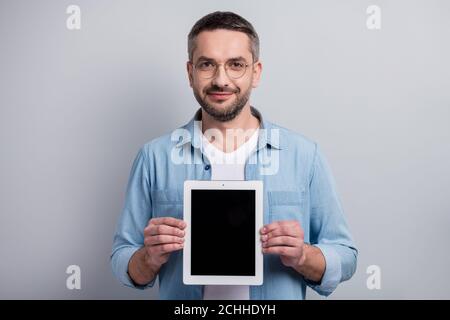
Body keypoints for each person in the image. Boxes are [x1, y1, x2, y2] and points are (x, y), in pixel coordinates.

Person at [111, 11, 357, 300]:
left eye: (236, 65)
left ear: (256, 72)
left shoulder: (304, 155)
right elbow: (122, 258)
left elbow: (346, 256)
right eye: (207, 65)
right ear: (190, 73)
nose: (221, 79)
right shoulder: (154, 157)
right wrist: (148, 258)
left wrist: (303, 256)